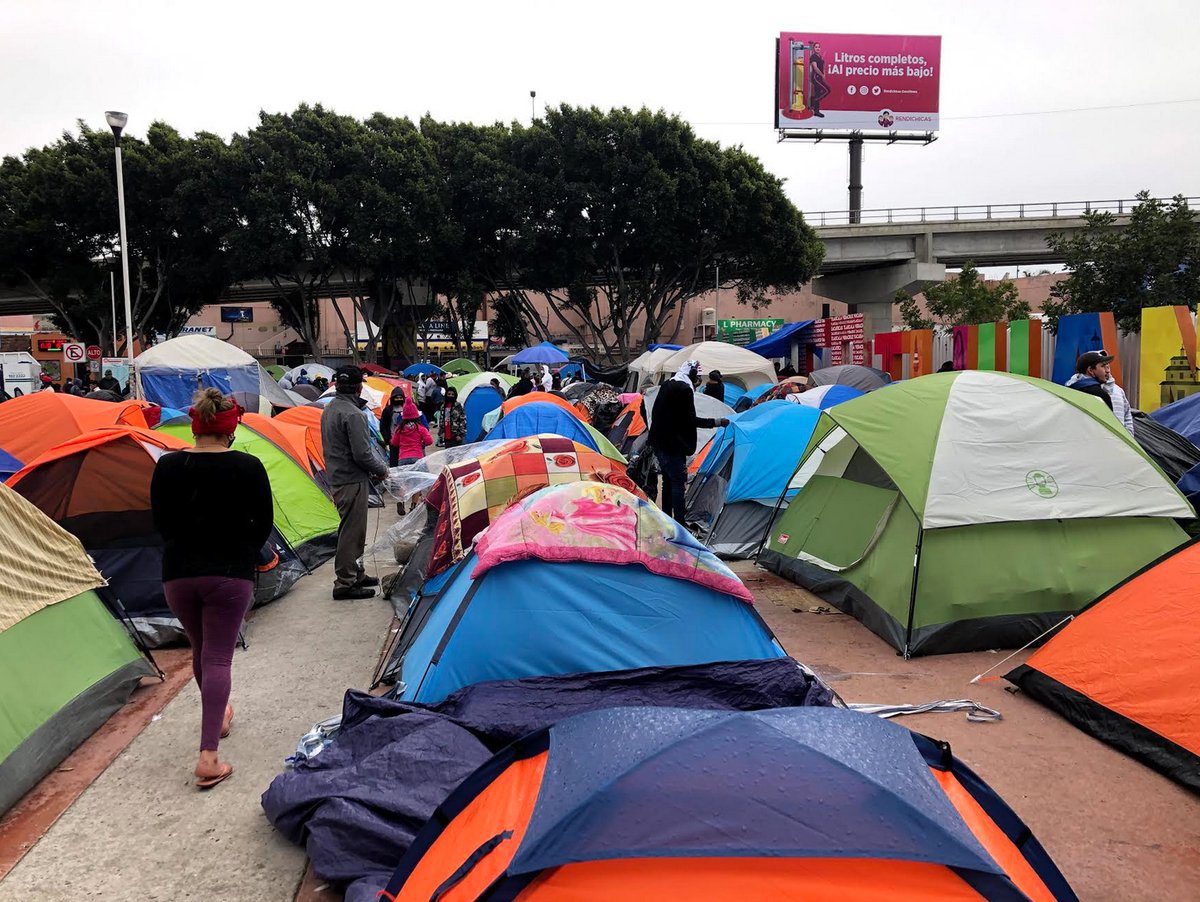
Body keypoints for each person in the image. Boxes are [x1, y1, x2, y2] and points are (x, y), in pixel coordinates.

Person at [150, 389, 273, 790]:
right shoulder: (249, 466)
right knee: (219, 657)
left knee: (201, 650)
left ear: (195, 426)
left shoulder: (167, 466)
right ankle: (208, 756)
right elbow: (263, 522)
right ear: (230, 429)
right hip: (230, 573)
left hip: (178, 574)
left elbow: (161, 523)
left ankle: (217, 717)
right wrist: (243, 553)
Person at [320, 365, 388, 600]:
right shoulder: (353, 414)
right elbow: (362, 454)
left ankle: (356, 572)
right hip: (352, 479)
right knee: (351, 532)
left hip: (338, 477)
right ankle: (345, 582)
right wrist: (382, 470)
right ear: (360, 388)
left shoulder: (330, 409)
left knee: (353, 530)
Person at [648, 360, 729, 522]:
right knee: (678, 483)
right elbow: (689, 420)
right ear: (691, 375)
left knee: (667, 482)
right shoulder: (684, 390)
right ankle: (679, 522)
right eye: (697, 376)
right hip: (674, 445)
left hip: (660, 442)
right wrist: (715, 422)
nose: (698, 379)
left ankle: (666, 519)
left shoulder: (668, 384)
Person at [1067, 350, 1134, 434]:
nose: (1107, 371)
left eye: (1108, 366)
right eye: (1103, 366)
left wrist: (1129, 437)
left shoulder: (1118, 391)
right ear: (1091, 370)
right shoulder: (1094, 394)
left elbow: (1127, 416)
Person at [392, 397, 433, 465]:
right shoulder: (420, 428)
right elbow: (429, 441)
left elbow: (394, 442)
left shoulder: (399, 429)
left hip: (403, 458)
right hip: (417, 457)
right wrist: (421, 443)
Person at [378, 387, 409, 467]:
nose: (398, 399)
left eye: (400, 397)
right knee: (394, 463)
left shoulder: (407, 408)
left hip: (407, 441)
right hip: (393, 441)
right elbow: (383, 426)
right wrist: (387, 440)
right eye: (396, 398)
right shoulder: (388, 410)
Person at [807, 41, 830, 117]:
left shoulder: (820, 57)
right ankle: (813, 101)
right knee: (827, 90)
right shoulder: (813, 56)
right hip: (815, 76)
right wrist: (822, 75)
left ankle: (816, 111)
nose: (817, 48)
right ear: (813, 48)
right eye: (816, 47)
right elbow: (815, 67)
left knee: (818, 93)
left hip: (820, 77)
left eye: (819, 47)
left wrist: (824, 75)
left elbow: (822, 67)